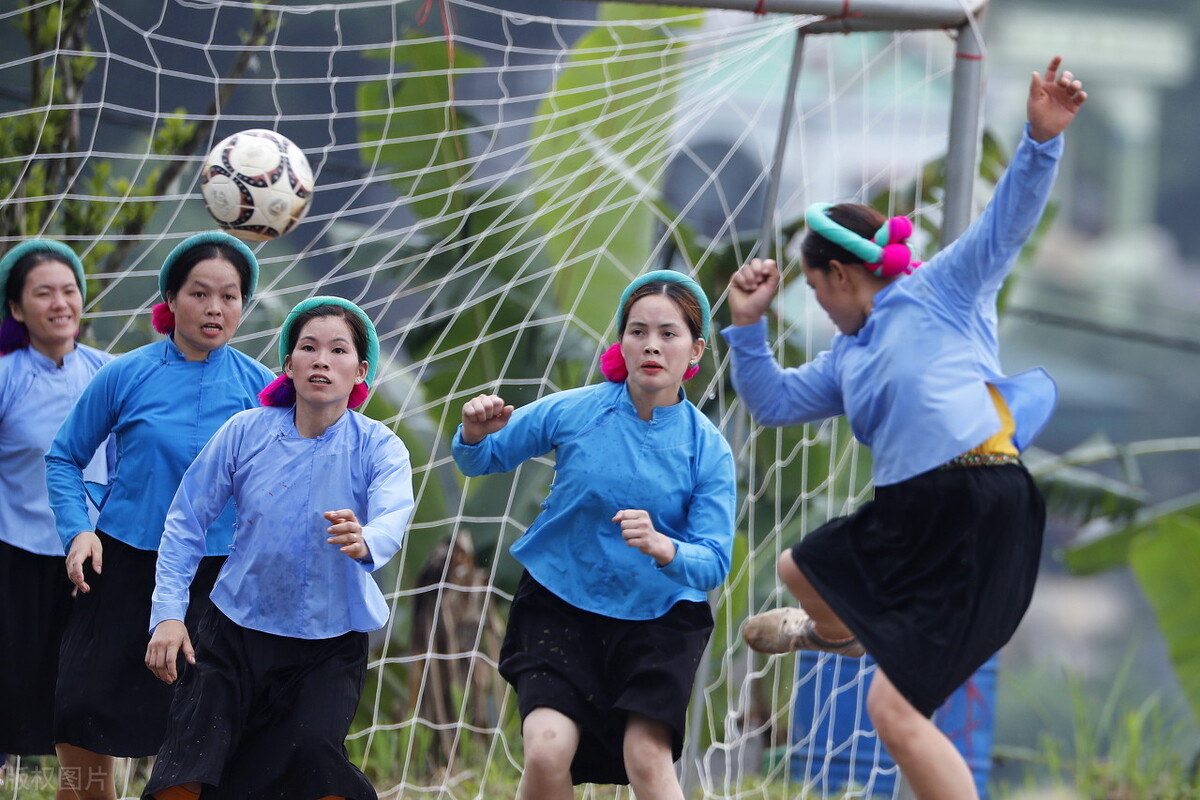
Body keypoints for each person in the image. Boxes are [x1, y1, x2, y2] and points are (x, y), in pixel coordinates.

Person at [723, 58, 1087, 800]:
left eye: (819, 293)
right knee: (876, 690)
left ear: (840, 274)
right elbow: (774, 402)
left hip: (982, 503)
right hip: (911, 519)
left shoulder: (941, 289)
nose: (821, 309)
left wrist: (1042, 139)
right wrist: (745, 329)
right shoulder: (846, 360)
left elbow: (1008, 219)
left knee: (870, 674)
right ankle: (842, 632)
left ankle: (838, 630)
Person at [453, 271, 736, 800]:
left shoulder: (709, 448)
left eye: (668, 333)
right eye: (638, 330)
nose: (651, 344)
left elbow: (715, 560)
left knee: (646, 758)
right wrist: (472, 430)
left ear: (695, 350)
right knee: (545, 750)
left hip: (660, 619)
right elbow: (481, 457)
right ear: (622, 340)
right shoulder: (575, 409)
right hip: (560, 604)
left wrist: (665, 548)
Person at [141, 297, 414, 800]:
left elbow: (394, 512)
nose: (322, 360)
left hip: (330, 645)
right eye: (308, 348)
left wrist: (367, 539)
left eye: (338, 350)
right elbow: (186, 521)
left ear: (361, 372)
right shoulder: (245, 431)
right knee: (186, 772)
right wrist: (168, 614)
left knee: (314, 760)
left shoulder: (380, 446)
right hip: (232, 633)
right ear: (288, 365)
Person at [45, 231, 275, 800]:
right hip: (120, 564)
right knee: (81, 708)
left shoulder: (262, 389)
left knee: (195, 731)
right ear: (171, 299)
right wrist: (78, 531)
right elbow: (64, 458)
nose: (215, 309)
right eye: (200, 294)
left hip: (214, 578)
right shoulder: (127, 374)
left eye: (229, 297)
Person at [0, 241, 112, 767]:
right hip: (13, 558)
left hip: (91, 560)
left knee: (84, 707)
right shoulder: (7, 376)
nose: (60, 302)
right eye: (44, 293)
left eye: (69, 290)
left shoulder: (111, 373)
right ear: (18, 309)